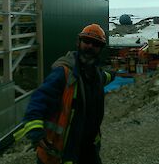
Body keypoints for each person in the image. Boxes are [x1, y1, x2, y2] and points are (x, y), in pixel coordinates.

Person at [13, 24, 114, 164]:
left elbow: (106, 76)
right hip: (62, 150)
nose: (90, 46)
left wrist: (114, 74)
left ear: (100, 48)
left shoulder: (96, 75)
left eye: (96, 44)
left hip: (88, 148)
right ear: (78, 43)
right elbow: (39, 98)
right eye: (86, 41)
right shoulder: (64, 73)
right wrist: (35, 128)